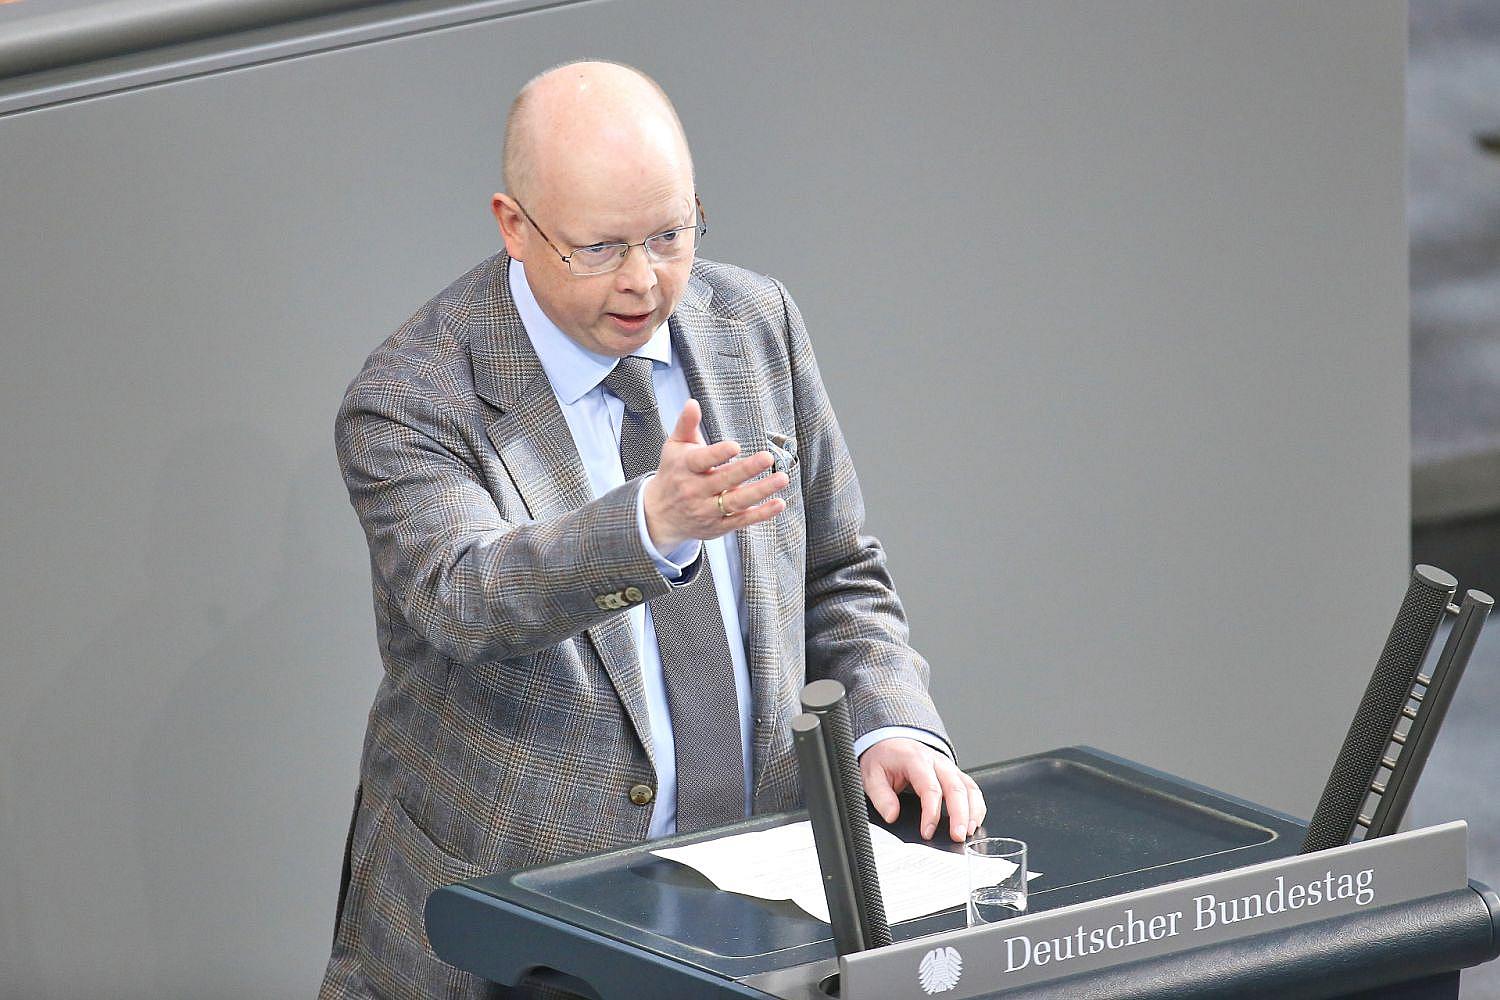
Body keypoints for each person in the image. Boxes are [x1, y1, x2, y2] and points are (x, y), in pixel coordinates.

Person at [320, 60, 986, 1000]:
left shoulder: (755, 323)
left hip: (756, 922)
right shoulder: (412, 396)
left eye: (670, 236)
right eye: (600, 248)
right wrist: (646, 527)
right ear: (515, 225)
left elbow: (837, 573)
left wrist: (891, 726)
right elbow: (465, 597)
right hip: (515, 938)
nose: (644, 281)